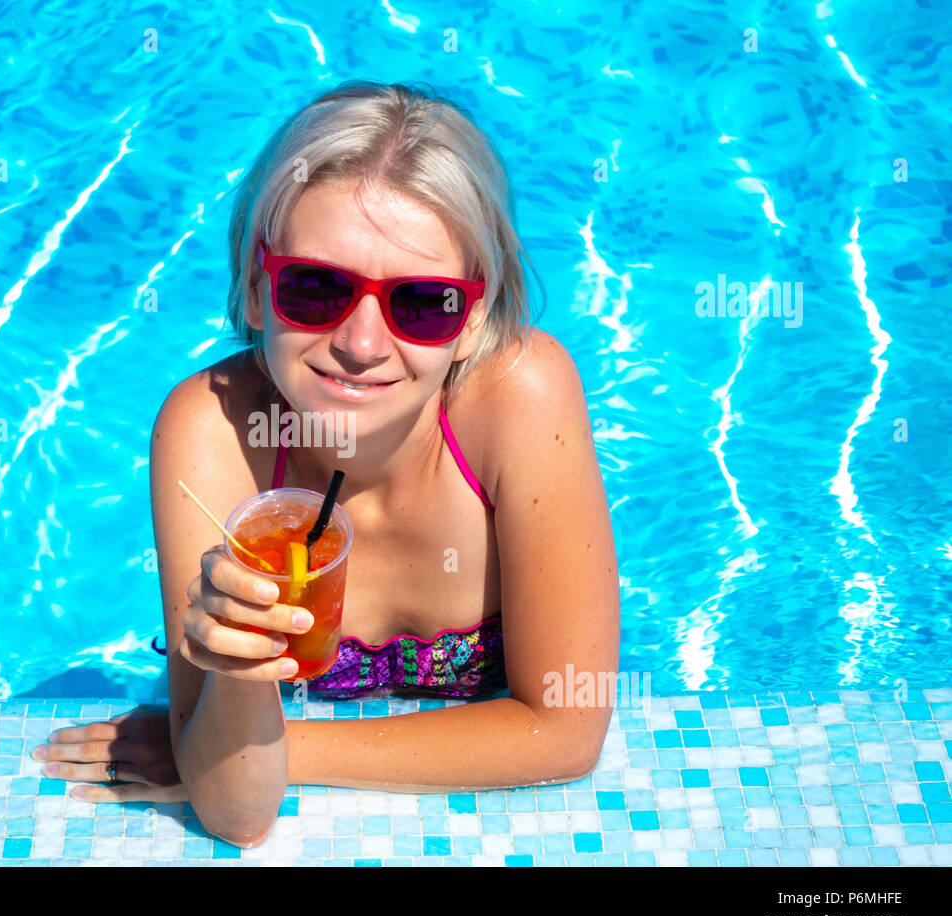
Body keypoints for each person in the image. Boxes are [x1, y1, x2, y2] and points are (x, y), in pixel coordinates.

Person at [31, 80, 620, 848]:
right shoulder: (214, 431)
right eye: (316, 289)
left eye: (421, 302)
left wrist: (257, 749)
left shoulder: (519, 400)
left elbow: (566, 732)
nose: (363, 345)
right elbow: (238, 817)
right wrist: (236, 693)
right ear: (254, 287)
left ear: (473, 317)